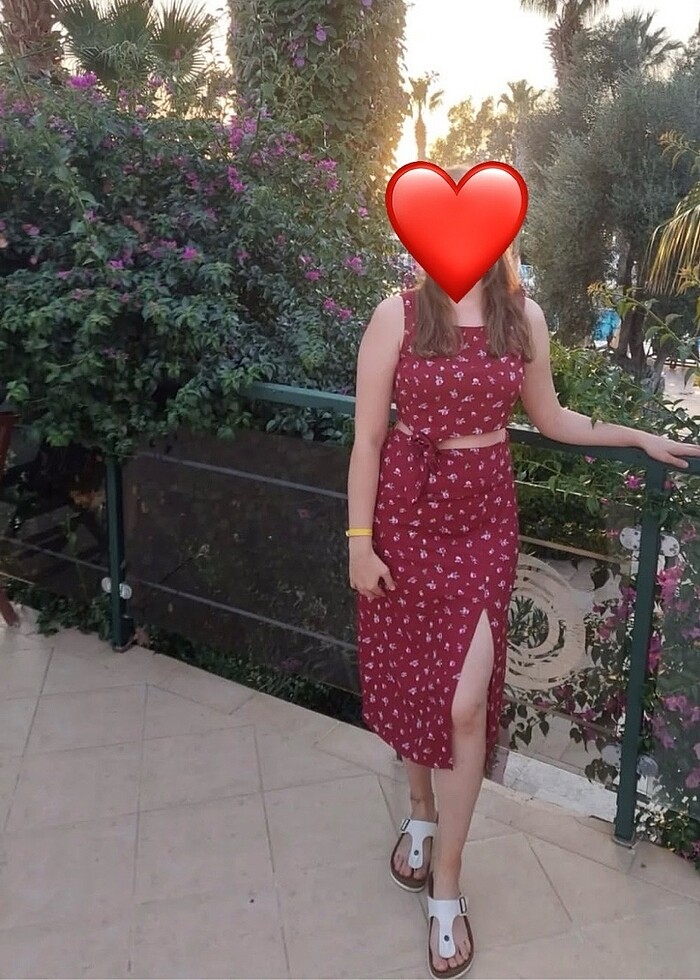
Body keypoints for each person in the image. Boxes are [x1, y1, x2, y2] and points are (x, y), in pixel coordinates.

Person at [345, 166, 700, 980]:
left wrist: (635, 436)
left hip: (481, 524)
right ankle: (420, 812)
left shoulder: (523, 316)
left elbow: (552, 418)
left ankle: (447, 886)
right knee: (415, 676)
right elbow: (367, 439)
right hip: (404, 513)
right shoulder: (397, 315)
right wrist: (360, 543)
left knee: (466, 702)